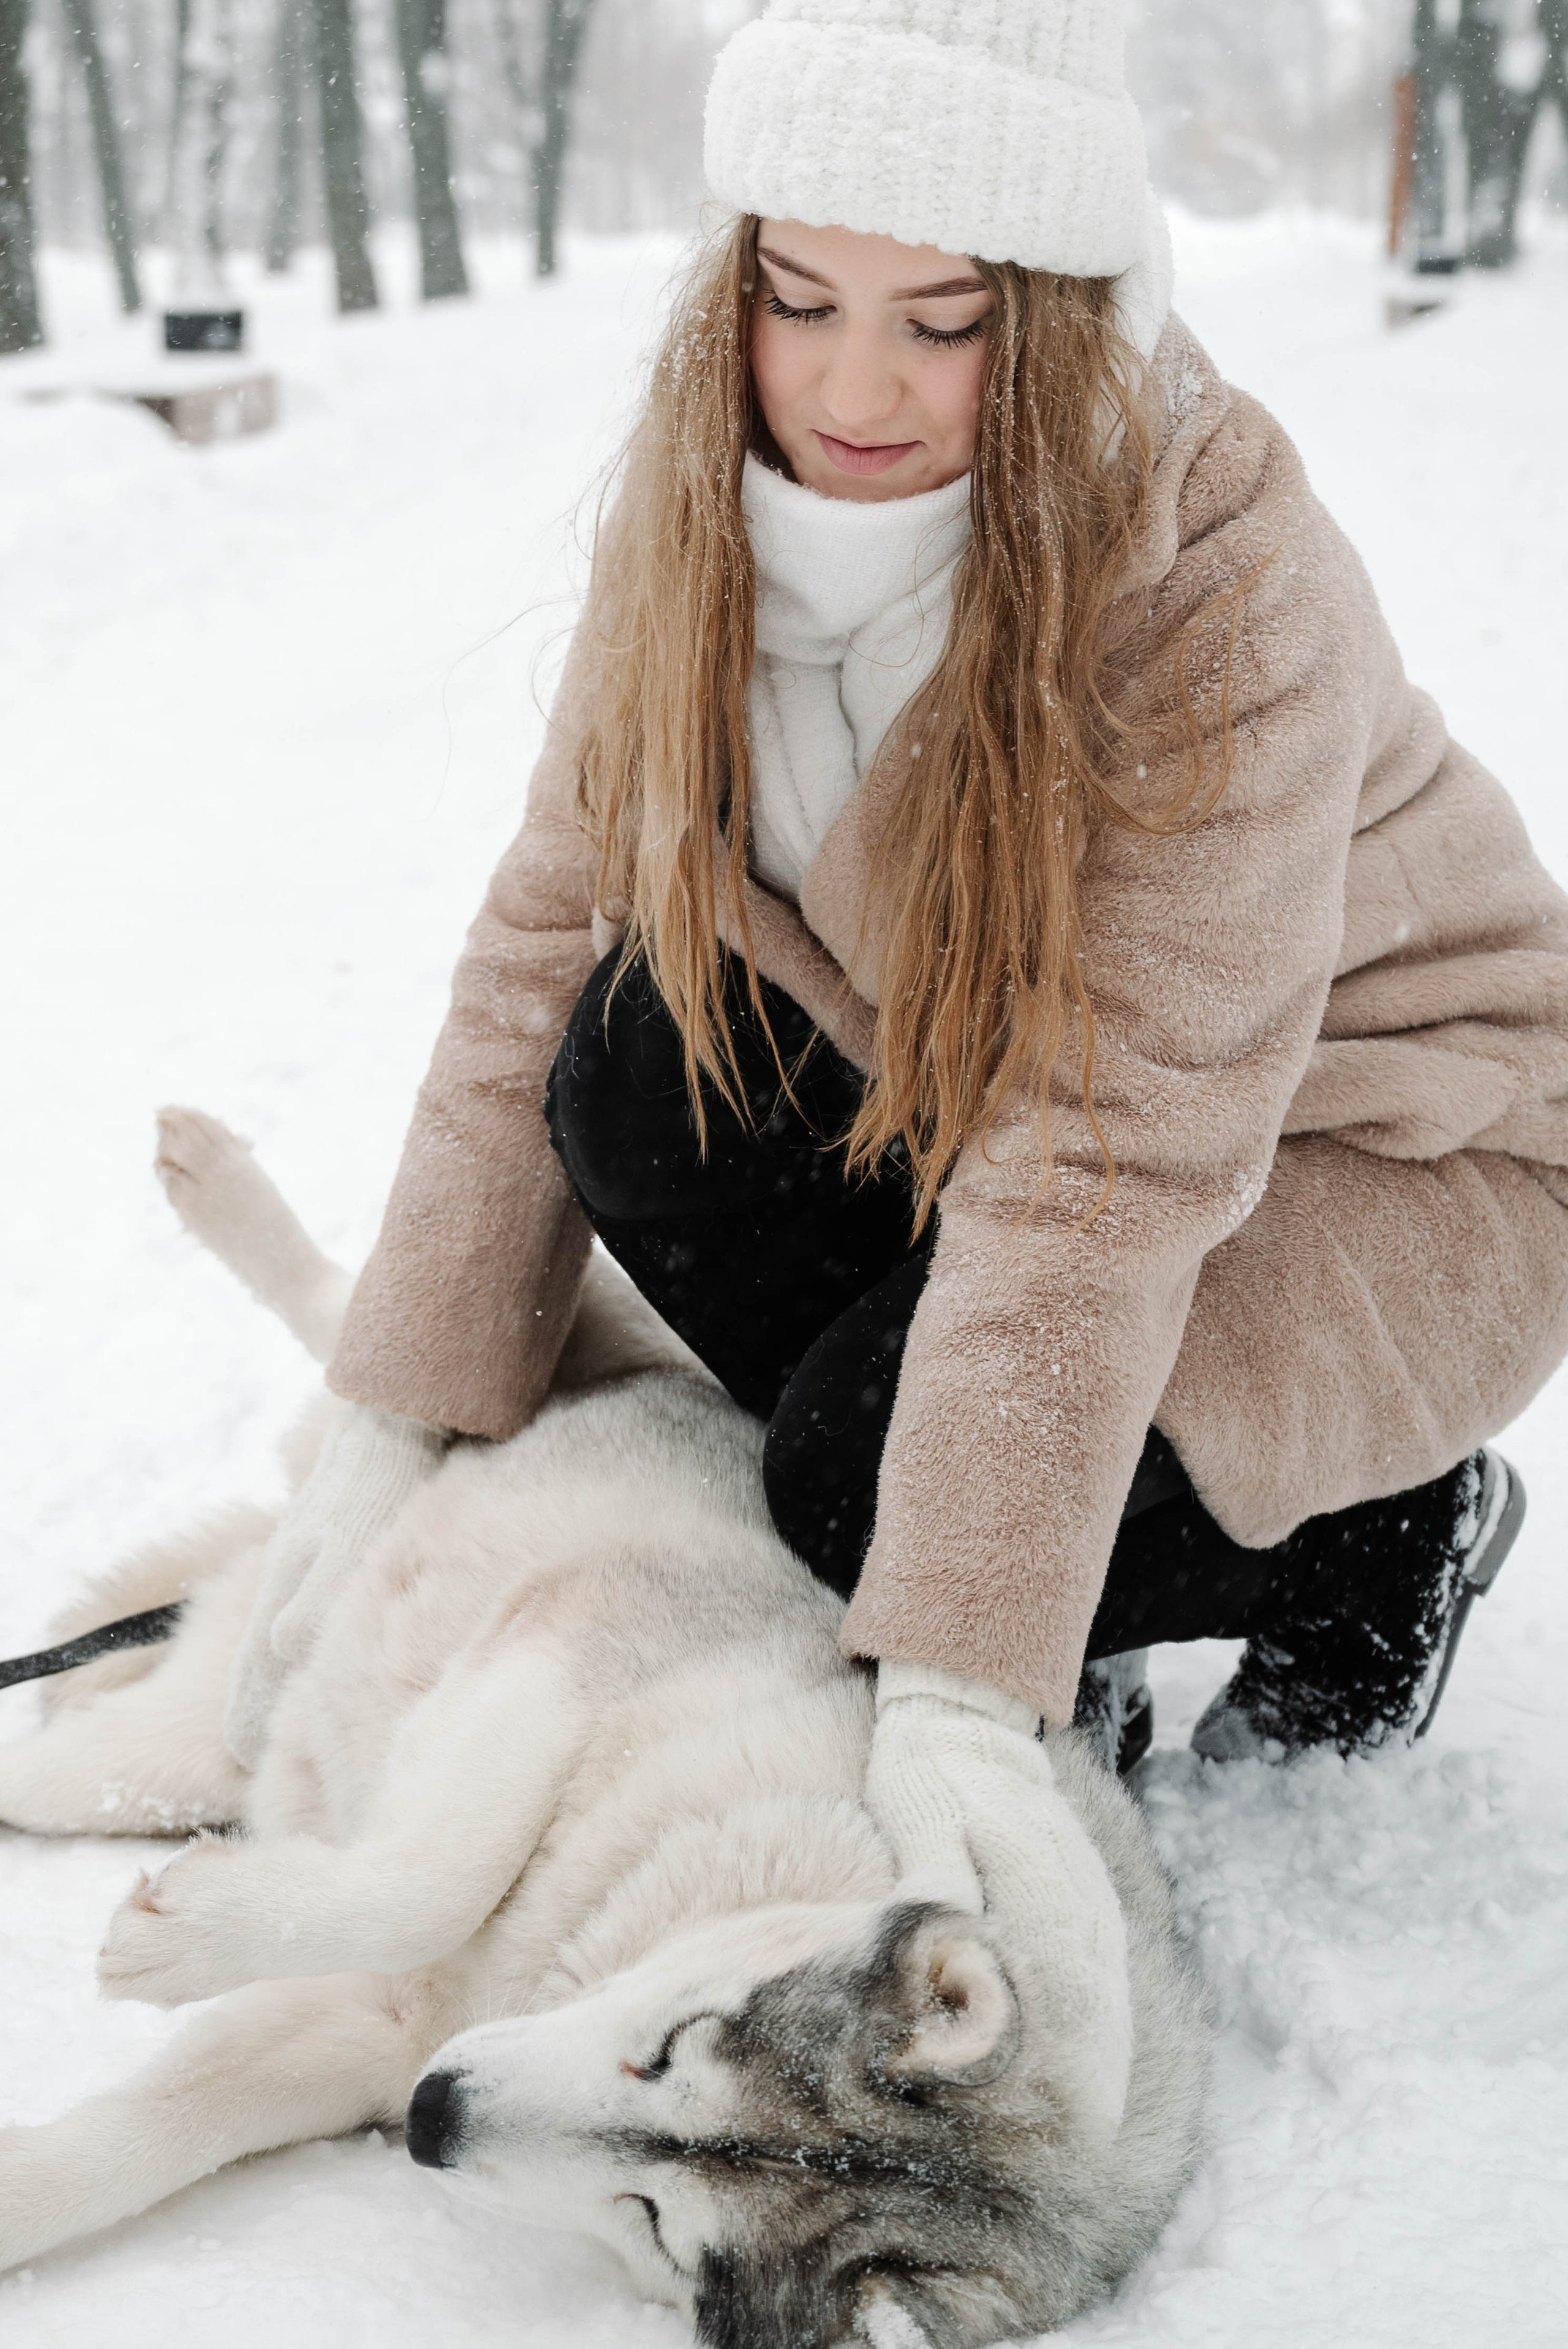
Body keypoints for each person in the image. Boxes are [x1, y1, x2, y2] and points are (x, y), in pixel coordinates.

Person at [227, 2, 1568, 1943]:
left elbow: (1110, 1152)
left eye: (944, 321)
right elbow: (540, 943)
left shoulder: (1216, 575)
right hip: (1005, 1090)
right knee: (633, 1055)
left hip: (1386, 1151)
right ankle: (1040, 1531)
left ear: (1061, 302)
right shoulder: (706, 504)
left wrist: (959, 1679)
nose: (852, 387)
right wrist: (391, 1430)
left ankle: (1382, 1521)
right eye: (798, 294)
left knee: (861, 1488)